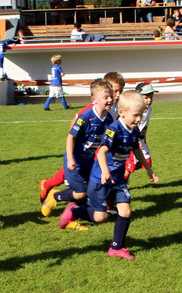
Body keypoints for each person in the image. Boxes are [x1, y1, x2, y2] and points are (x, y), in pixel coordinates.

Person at [57, 90, 159, 259]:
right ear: (121, 113)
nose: (138, 119)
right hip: (100, 179)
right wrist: (104, 171)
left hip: (118, 179)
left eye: (140, 115)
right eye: (135, 115)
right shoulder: (113, 130)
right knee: (100, 217)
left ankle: (116, 247)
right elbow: (102, 152)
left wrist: (149, 169)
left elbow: (136, 150)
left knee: (125, 212)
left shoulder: (134, 131)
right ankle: (75, 211)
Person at [38, 72, 126, 206]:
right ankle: (51, 188)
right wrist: (80, 142)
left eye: (120, 91)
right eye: (115, 91)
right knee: (79, 180)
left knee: (93, 180)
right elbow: (74, 124)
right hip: (82, 150)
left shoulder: (113, 108)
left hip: (94, 150)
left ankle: (99, 203)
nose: (117, 95)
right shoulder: (91, 111)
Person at [41, 79, 114, 227]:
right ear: (94, 99)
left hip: (91, 162)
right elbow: (71, 137)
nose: (110, 99)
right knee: (81, 192)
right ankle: (55, 196)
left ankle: (71, 219)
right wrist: (70, 159)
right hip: (76, 161)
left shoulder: (109, 118)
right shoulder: (86, 117)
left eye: (111, 96)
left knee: (89, 190)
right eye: (106, 97)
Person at [124, 82, 156, 180]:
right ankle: (120, 185)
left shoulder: (148, 109)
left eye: (151, 97)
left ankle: (121, 184)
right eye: (146, 97)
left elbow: (143, 126)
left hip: (140, 140)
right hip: (132, 140)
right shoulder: (135, 111)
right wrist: (136, 140)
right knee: (129, 166)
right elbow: (129, 126)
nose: (149, 100)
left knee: (146, 161)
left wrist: (143, 137)